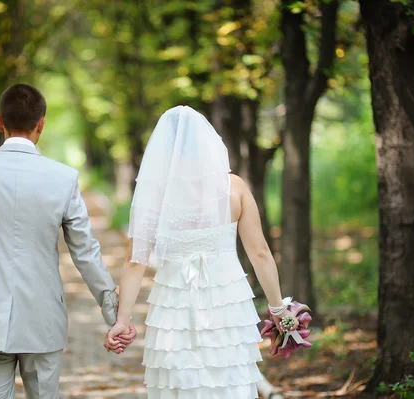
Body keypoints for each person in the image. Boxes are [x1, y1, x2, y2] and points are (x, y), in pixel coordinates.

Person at [0, 83, 136, 399]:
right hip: (43, 320)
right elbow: (85, 251)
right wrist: (114, 315)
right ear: (41, 124)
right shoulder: (63, 178)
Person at [104, 105, 298, 398]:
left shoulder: (155, 195)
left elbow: (135, 262)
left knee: (179, 383)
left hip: (173, 310)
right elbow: (259, 253)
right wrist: (278, 309)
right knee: (229, 381)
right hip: (228, 306)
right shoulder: (234, 188)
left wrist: (123, 320)